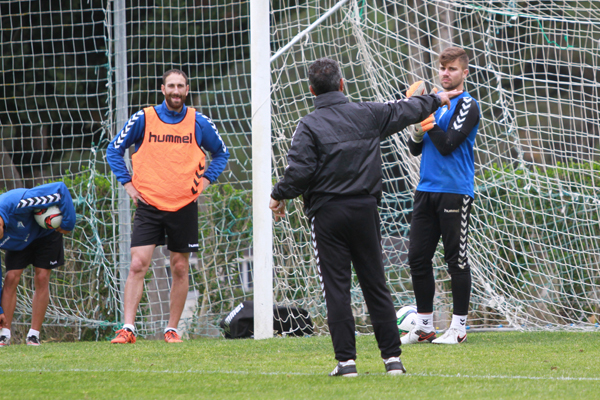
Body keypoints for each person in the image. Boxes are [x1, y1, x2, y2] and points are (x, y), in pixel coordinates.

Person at [269, 58, 461, 376]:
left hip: (327, 216)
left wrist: (278, 195)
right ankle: (392, 361)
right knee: (375, 285)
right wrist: (436, 98)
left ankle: (346, 363)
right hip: (364, 211)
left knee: (337, 290)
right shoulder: (368, 113)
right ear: (342, 84)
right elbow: (405, 110)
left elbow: (299, 172)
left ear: (311, 90)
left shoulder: (308, 126)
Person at [107, 69, 229, 344]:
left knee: (180, 268)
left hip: (184, 205)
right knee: (138, 264)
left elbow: (221, 153)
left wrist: (205, 181)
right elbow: (113, 149)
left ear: (187, 89)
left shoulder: (199, 121)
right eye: (171, 86)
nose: (176, 91)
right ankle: (127, 328)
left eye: (180, 86)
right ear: (162, 89)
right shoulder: (144, 118)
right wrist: (127, 184)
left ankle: (172, 329)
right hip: (149, 204)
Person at [402, 47, 480, 345]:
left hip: (454, 192)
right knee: (417, 258)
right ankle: (424, 326)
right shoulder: (436, 101)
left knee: (455, 261)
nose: (446, 73)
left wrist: (427, 115)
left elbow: (447, 145)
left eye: (452, 69)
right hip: (426, 190)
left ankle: (459, 329)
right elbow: (416, 148)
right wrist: (419, 130)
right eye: (443, 68)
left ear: (465, 73)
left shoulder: (468, 105)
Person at [0, 182, 76, 346]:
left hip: (46, 235)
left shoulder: (19, 202)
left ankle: (33, 335)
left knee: (42, 277)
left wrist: (68, 224)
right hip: (17, 243)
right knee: (11, 277)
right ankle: (4, 334)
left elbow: (60, 190)